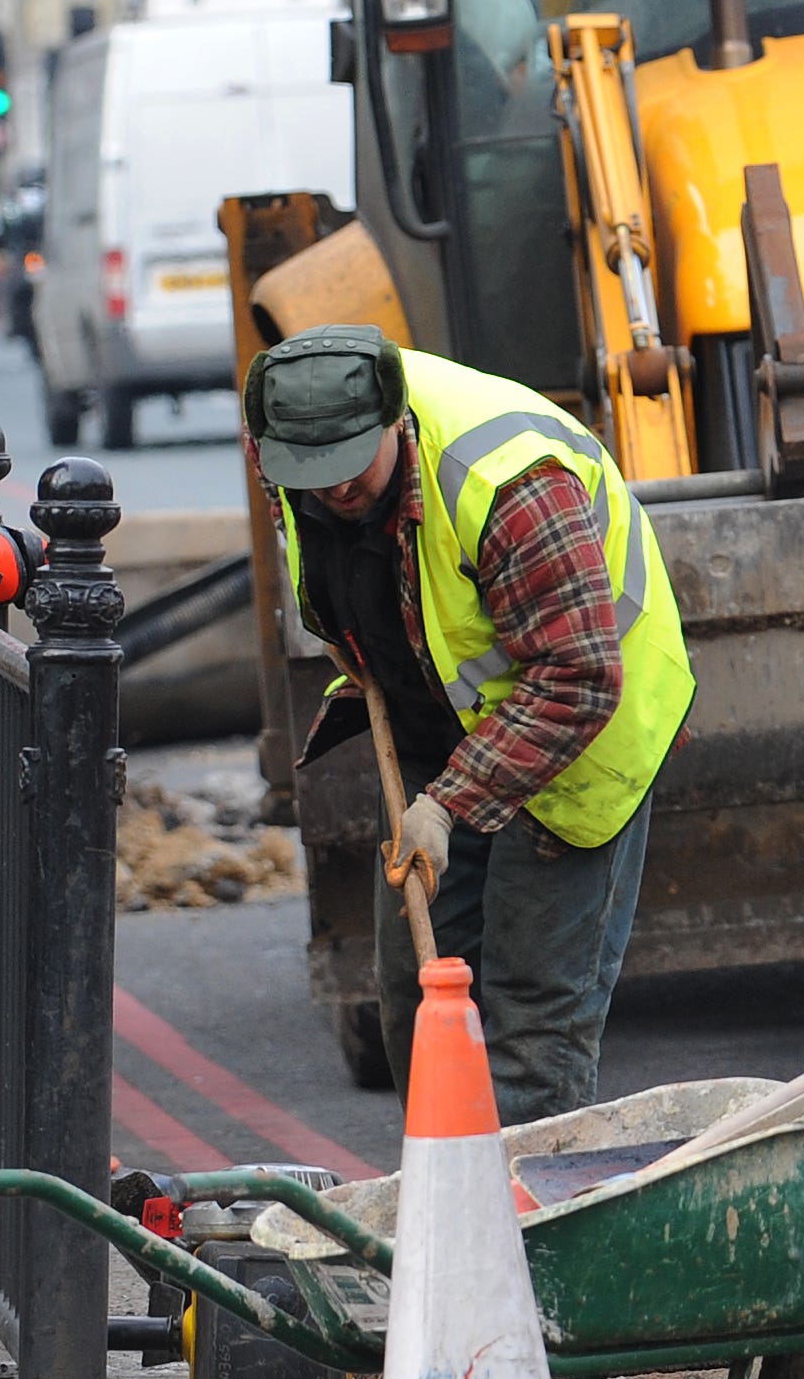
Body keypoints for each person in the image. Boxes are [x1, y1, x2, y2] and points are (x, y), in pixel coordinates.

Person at [244, 323, 695, 1122]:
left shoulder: (510, 483)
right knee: (416, 1001)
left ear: (395, 421)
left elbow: (579, 677)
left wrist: (448, 805)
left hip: (575, 739)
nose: (333, 490)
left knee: (531, 1020)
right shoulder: (295, 451)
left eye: (351, 468)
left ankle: (527, 1234)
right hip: (443, 726)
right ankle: (446, 1210)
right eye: (310, 476)